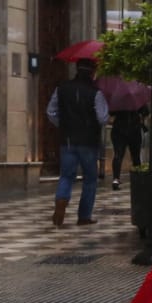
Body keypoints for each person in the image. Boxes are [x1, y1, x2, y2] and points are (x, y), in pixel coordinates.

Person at [46, 58, 109, 227]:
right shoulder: (96, 93)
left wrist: (64, 124)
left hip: (67, 140)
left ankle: (61, 201)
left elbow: (51, 112)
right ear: (92, 72)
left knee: (66, 175)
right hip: (88, 141)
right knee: (90, 179)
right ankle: (84, 216)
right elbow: (102, 118)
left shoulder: (61, 89)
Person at [110, 106, 145, 190]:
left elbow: (111, 113)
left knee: (118, 155)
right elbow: (145, 112)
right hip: (134, 130)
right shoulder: (137, 100)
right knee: (136, 156)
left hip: (119, 130)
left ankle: (116, 179)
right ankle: (138, 179)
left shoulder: (118, 100)